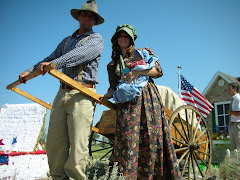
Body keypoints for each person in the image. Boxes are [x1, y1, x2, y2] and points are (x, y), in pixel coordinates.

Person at [18, 0, 104, 179]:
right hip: (62, 92)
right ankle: (58, 177)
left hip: (83, 94)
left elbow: (79, 55)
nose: (87, 18)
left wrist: (54, 64)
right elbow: (50, 58)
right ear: (79, 16)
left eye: (91, 16)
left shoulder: (96, 39)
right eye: (85, 14)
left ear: (94, 21)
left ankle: (76, 178)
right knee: (54, 142)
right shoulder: (66, 41)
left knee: (78, 144)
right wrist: (29, 71)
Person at [103, 24, 180, 179]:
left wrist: (137, 73)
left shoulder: (143, 53)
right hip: (127, 105)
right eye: (120, 35)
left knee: (151, 138)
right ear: (116, 39)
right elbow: (113, 88)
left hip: (147, 99)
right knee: (126, 139)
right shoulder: (112, 65)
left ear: (131, 39)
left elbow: (158, 71)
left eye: (127, 36)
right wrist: (105, 96)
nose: (123, 38)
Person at [228, 82, 240, 150]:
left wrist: (230, 112)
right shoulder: (234, 98)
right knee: (234, 148)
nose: (228, 91)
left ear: (235, 89)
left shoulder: (238, 98)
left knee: (238, 146)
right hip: (232, 124)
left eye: (230, 89)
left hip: (237, 124)